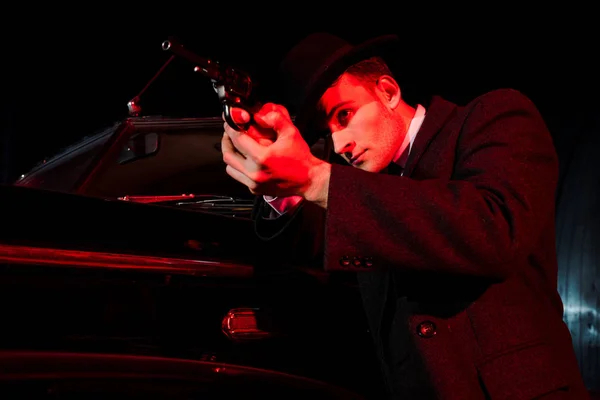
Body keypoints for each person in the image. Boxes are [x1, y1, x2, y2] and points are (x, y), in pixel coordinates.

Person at [220, 32, 588, 399]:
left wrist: (318, 178)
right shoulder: (360, 184)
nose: (338, 144)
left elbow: (493, 230)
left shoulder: (493, 116)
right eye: (326, 131)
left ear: (388, 91)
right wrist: (279, 183)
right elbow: (314, 246)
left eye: (344, 115)